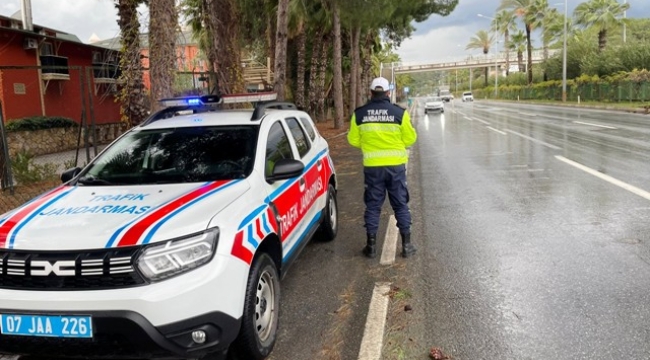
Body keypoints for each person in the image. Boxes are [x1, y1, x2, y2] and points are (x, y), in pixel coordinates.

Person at [347, 77, 418, 259]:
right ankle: (407, 246)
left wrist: (370, 144)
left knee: (373, 205)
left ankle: (370, 248)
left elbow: (353, 139)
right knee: (400, 204)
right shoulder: (399, 113)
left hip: (373, 168)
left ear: (371, 93)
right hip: (395, 168)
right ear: (388, 93)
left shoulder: (360, 114)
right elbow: (410, 139)